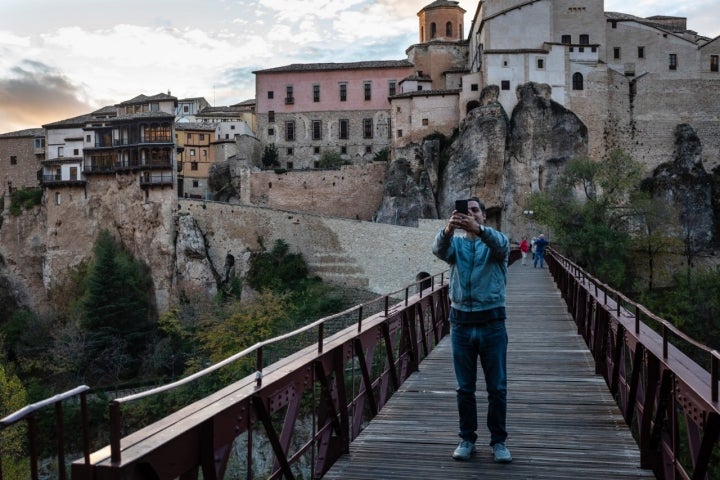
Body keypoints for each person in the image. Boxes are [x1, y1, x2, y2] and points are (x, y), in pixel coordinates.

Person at [432, 197, 512, 464]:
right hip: (461, 325)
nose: (470, 214)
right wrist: (448, 229)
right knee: (464, 388)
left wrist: (478, 230)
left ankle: (498, 442)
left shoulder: (496, 240)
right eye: (465, 212)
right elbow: (438, 250)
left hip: (492, 324)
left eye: (475, 210)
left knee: (497, 388)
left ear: (484, 216)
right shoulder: (455, 244)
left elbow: (502, 247)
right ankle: (467, 439)